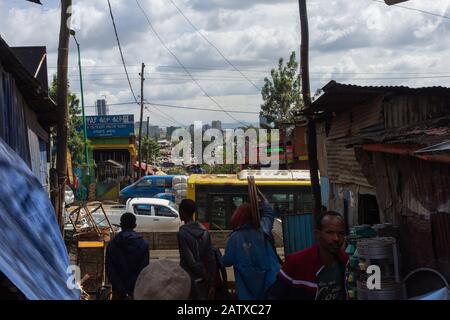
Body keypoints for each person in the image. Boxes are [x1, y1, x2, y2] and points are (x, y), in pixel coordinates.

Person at [267, 211, 349, 300]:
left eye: (340, 233)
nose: (336, 238)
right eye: (330, 232)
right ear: (318, 234)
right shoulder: (296, 262)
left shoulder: (344, 260)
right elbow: (274, 296)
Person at [221, 193, 281, 300]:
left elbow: (227, 261)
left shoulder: (234, 237)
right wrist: (262, 196)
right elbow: (269, 214)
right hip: (269, 285)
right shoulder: (263, 230)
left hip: (247, 292)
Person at [177, 199, 217, 300]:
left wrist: (204, 275)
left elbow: (190, 261)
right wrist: (210, 280)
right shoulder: (204, 231)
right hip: (203, 281)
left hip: (188, 280)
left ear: (182, 212)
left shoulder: (182, 233)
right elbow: (210, 258)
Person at [105, 212, 149, 300]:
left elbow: (110, 270)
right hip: (135, 291)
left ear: (121, 225)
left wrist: (121, 290)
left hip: (118, 292)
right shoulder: (143, 244)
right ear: (135, 225)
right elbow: (144, 270)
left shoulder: (112, 245)